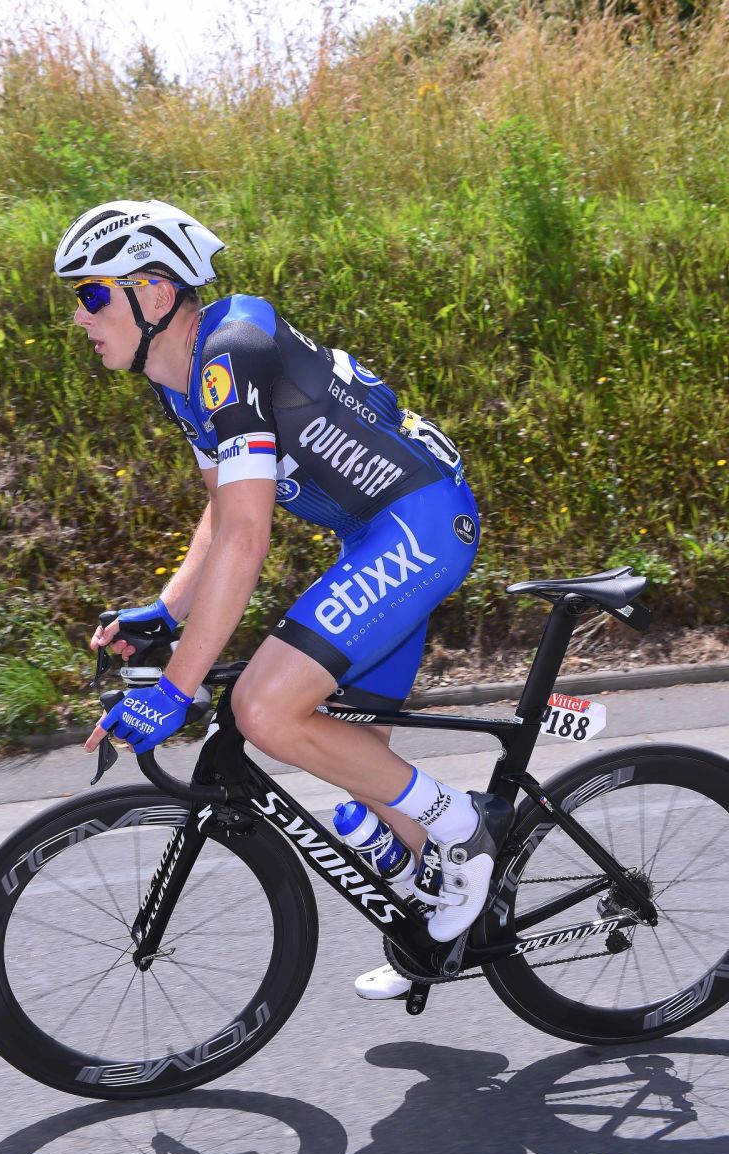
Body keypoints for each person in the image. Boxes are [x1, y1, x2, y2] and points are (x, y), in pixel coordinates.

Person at [54, 198, 514, 1000]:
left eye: (93, 295)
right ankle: (453, 912)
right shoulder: (180, 380)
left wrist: (175, 688)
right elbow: (220, 511)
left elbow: (246, 538)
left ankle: (466, 827)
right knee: (351, 765)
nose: (80, 316)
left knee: (263, 708)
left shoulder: (230, 354)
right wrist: (167, 610)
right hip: (376, 537)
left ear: (155, 294)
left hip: (419, 526)